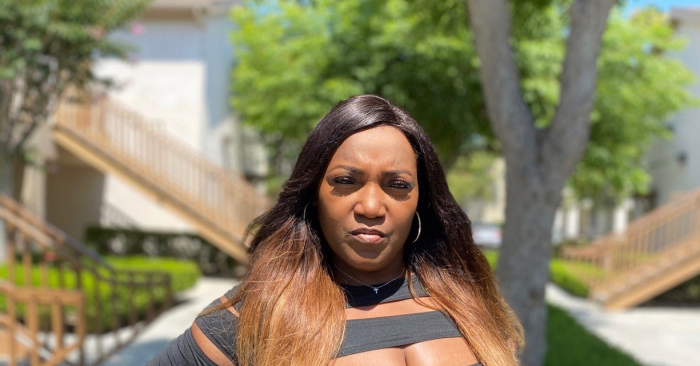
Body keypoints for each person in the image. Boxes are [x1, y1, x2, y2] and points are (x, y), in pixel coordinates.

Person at [147, 95, 523, 366]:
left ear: (420, 201)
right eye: (346, 181)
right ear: (313, 195)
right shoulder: (258, 313)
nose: (371, 207)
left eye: (397, 185)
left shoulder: (469, 300)